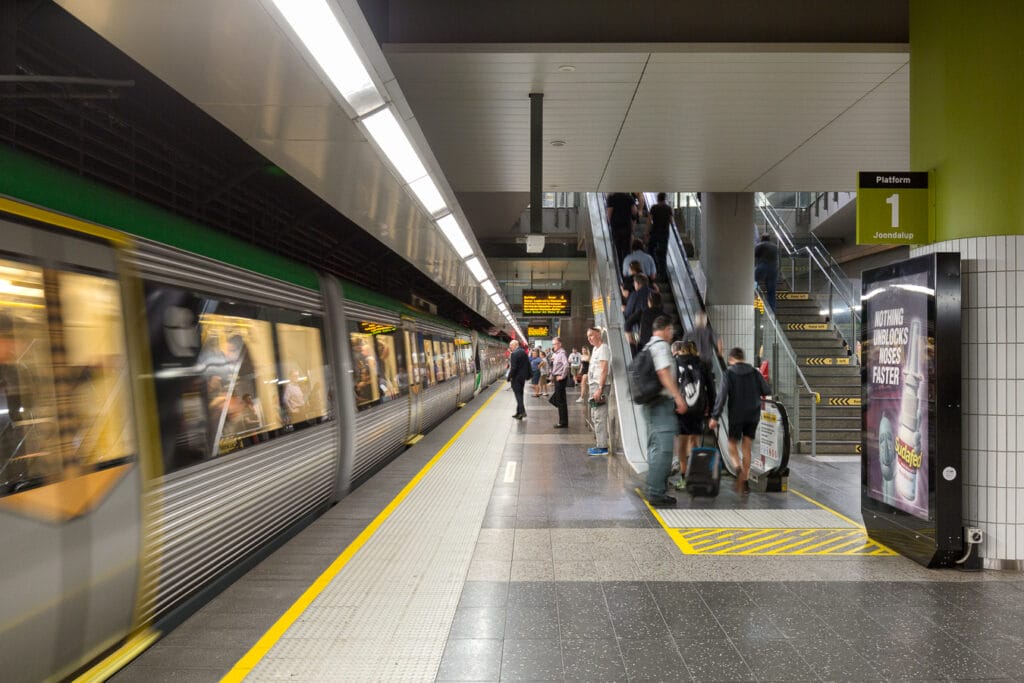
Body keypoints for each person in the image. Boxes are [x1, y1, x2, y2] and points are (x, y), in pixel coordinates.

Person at [638, 316, 687, 508]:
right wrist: (677, 397)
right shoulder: (660, 346)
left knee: (655, 447)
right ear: (667, 329)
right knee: (664, 449)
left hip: (650, 403)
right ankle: (656, 492)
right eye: (671, 329)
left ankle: (654, 488)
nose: (672, 333)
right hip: (660, 403)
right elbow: (663, 372)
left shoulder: (648, 346)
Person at [709, 347, 771, 495]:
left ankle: (738, 469)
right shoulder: (755, 373)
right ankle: (746, 479)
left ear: (731, 360)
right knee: (747, 447)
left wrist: (715, 417)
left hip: (736, 414)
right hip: (753, 414)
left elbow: (722, 396)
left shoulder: (728, 373)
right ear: (743, 357)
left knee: (732, 444)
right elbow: (767, 390)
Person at [672, 340, 715, 487]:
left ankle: (684, 478)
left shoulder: (675, 362)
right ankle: (695, 475)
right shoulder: (702, 364)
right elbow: (711, 388)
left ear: (680, 350)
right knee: (694, 441)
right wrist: (712, 413)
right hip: (698, 408)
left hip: (681, 408)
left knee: (681, 444)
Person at [586, 328, 611, 456]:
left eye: (591, 335)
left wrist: (600, 388)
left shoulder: (603, 348)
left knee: (599, 416)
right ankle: (599, 443)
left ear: (598, 334)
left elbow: (604, 369)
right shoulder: (595, 349)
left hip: (600, 386)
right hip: (593, 385)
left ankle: (602, 447)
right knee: (595, 414)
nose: (589, 338)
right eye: (588, 336)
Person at [683, 310, 723, 378]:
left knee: (697, 379)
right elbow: (719, 340)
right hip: (707, 362)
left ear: (695, 321)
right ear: (705, 321)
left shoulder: (688, 333)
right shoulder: (709, 331)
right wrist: (720, 353)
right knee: (709, 379)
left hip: (694, 362)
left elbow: (683, 347)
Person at [606, 192, 638, 269]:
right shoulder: (629, 197)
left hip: (616, 227)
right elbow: (634, 211)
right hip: (627, 227)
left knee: (618, 249)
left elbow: (609, 212)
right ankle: (627, 269)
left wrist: (607, 225)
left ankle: (620, 268)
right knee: (627, 249)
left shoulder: (612, 197)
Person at [647, 192, 674, 277]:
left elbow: (649, 221)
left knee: (650, 250)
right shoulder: (668, 208)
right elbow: (671, 221)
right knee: (663, 253)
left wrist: (646, 233)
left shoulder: (654, 208)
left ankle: (654, 267)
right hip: (665, 234)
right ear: (664, 199)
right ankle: (663, 273)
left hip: (655, 232)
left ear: (657, 199)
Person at [754, 233, 780, 312]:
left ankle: (756, 302)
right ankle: (772, 311)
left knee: (754, 283)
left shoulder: (760, 245)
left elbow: (754, 255)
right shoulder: (775, 247)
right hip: (773, 269)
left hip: (762, 266)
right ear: (769, 238)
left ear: (762, 238)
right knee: (771, 292)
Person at [508, 340, 531, 420]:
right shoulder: (523, 352)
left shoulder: (514, 354)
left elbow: (513, 368)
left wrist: (509, 377)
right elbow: (528, 364)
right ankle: (518, 413)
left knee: (518, 395)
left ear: (515, 345)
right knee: (520, 394)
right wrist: (528, 375)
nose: (510, 347)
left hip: (516, 378)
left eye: (511, 345)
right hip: (522, 378)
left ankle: (522, 411)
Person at [549, 337, 569, 428]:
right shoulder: (556, 354)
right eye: (553, 344)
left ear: (560, 344)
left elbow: (566, 366)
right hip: (557, 378)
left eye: (555, 344)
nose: (554, 346)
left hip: (560, 379)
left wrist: (562, 376)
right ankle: (563, 421)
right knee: (560, 400)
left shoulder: (562, 353)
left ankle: (563, 422)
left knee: (560, 401)